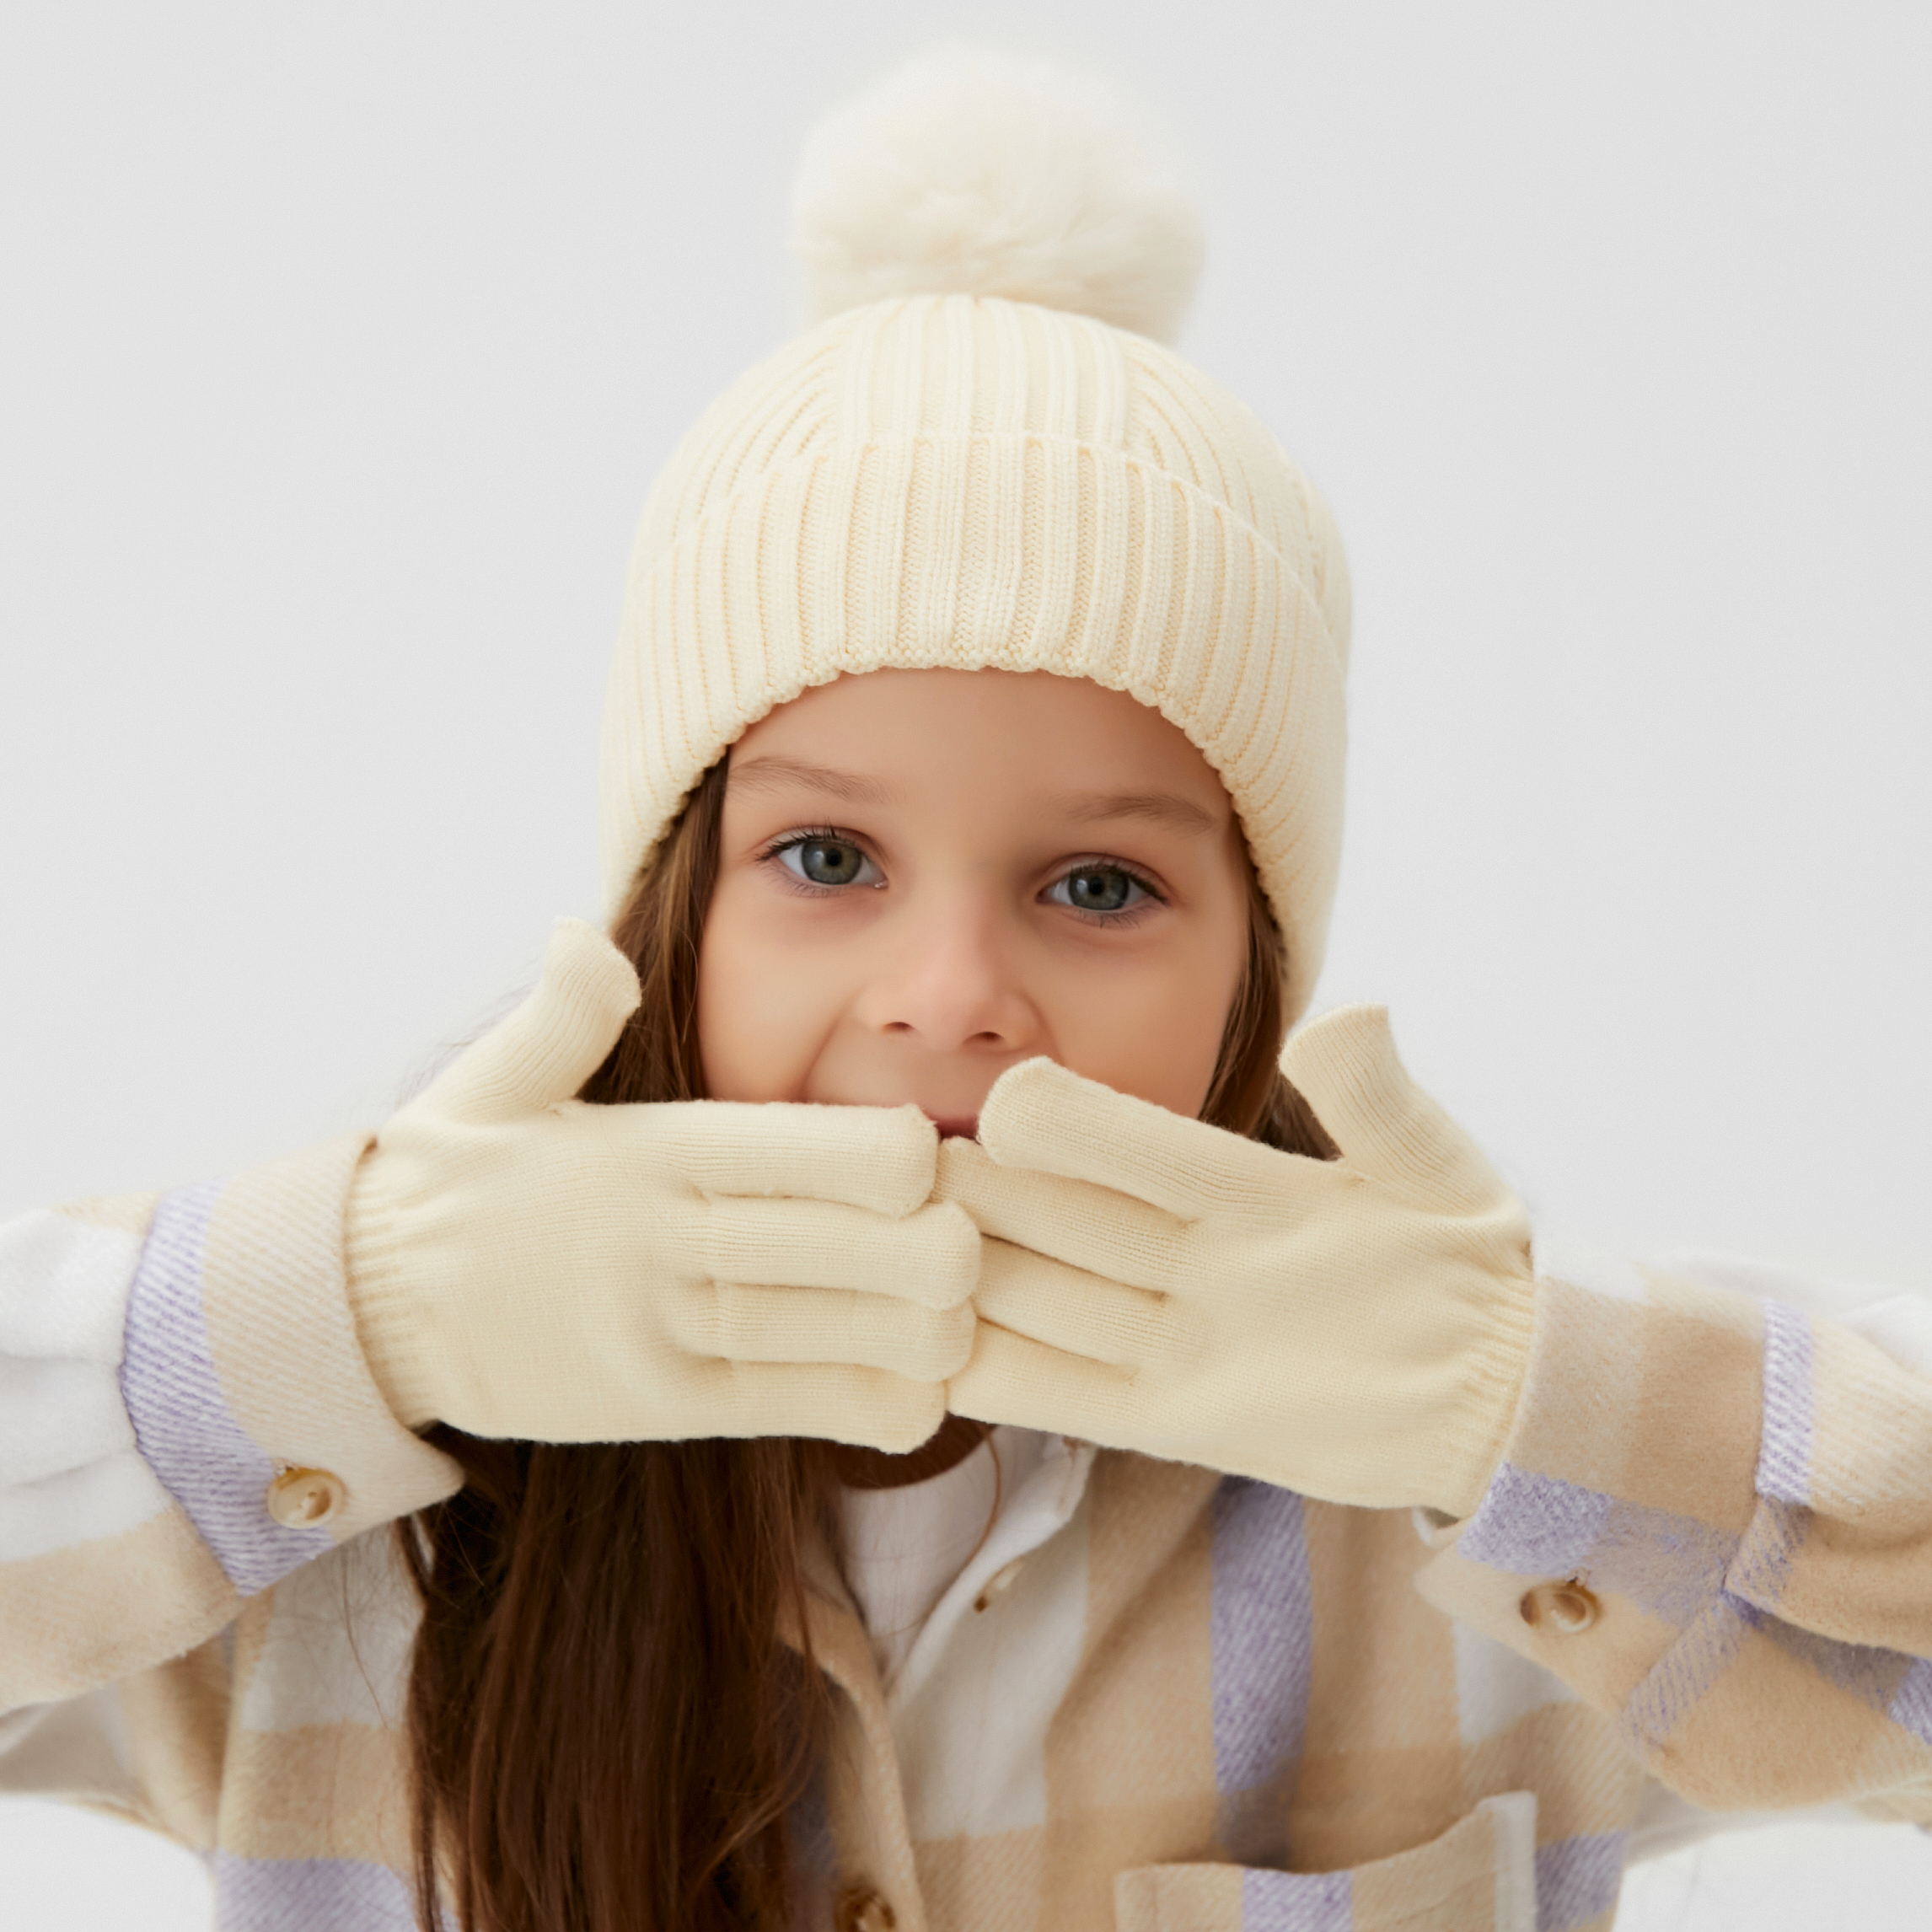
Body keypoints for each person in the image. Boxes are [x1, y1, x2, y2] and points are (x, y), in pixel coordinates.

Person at [3, 47, 1929, 1932]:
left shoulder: (1488, 1542)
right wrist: (339, 1320)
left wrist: (1543, 1413)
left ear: (1261, 967)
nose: (951, 996)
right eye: (825, 860)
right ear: (670, 911)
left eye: (1100, 884)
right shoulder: (331, 1507)